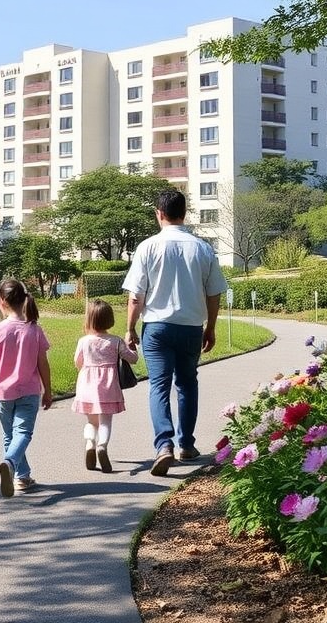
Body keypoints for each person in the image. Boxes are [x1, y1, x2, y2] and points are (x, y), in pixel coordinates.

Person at [123, 189, 227, 476]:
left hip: (156, 327)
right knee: (187, 384)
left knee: (159, 385)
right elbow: (214, 293)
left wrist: (130, 328)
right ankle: (186, 444)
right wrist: (211, 327)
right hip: (191, 327)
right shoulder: (203, 248)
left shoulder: (148, 247)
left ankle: (163, 445)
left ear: (159, 213)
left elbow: (136, 296)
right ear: (185, 213)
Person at [0, 279, 52, 497]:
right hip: (29, 391)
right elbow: (43, 363)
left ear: (1, 301)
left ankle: (21, 476)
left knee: (9, 435)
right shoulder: (34, 330)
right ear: (24, 300)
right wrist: (48, 391)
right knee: (22, 433)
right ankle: (12, 464)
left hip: (3, 393)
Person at [71, 298, 139, 472]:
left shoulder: (84, 341)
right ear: (109, 320)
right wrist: (133, 347)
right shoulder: (115, 341)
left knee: (91, 422)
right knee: (105, 422)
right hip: (108, 387)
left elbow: (77, 362)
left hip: (87, 386)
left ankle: (89, 444)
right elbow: (133, 359)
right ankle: (102, 446)